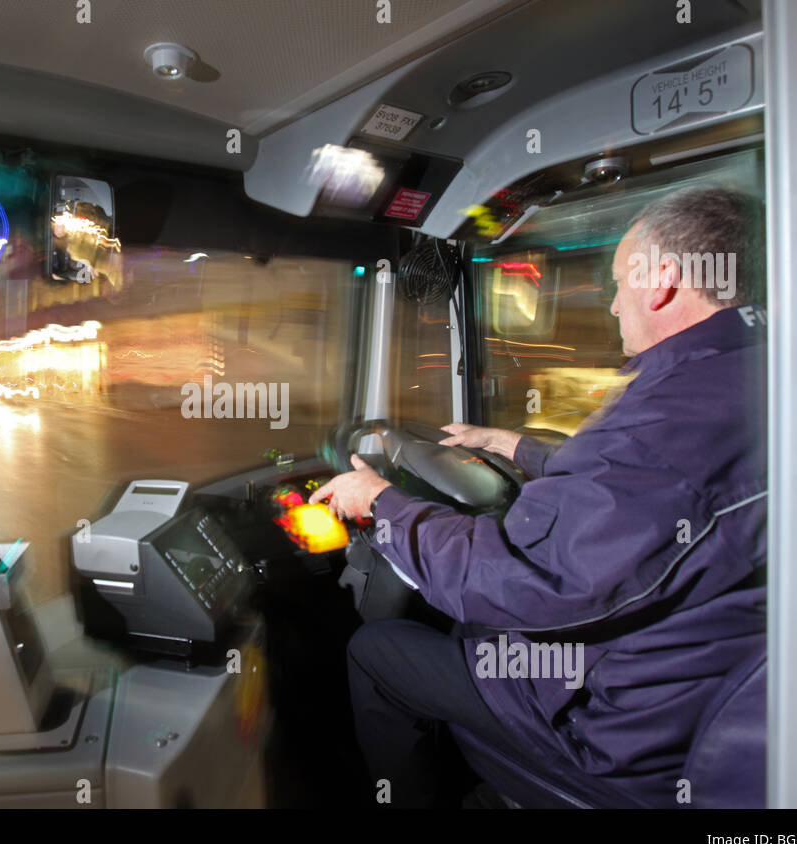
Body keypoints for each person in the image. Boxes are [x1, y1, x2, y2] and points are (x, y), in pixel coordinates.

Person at [310, 185, 767, 808]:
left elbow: (528, 583)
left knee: (378, 652)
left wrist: (384, 504)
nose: (610, 306)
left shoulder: (663, 422)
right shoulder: (750, 375)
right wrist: (511, 444)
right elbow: (646, 491)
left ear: (661, 281)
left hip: (617, 740)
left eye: (618, 284)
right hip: (686, 695)